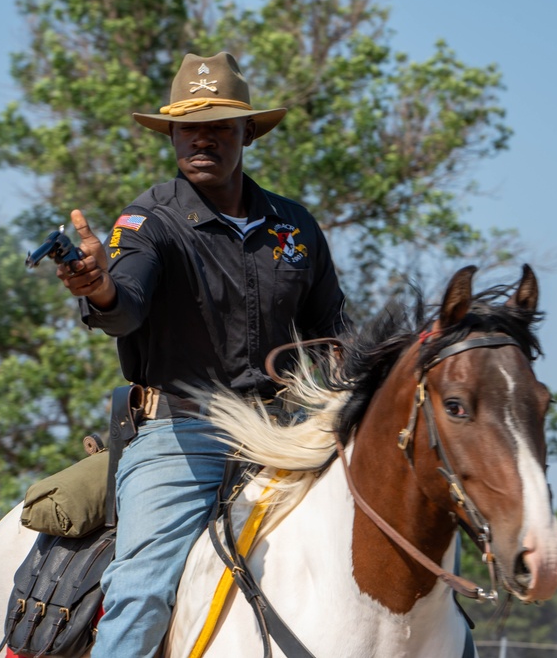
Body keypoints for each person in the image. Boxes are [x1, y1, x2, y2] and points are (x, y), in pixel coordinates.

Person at [56, 52, 350, 657]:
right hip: (181, 436)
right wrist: (97, 286)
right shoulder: (148, 220)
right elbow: (126, 303)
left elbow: (335, 335)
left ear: (248, 133)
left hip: (284, 434)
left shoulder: (294, 228)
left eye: (220, 126)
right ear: (172, 135)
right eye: (190, 126)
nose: (204, 138)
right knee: (139, 592)